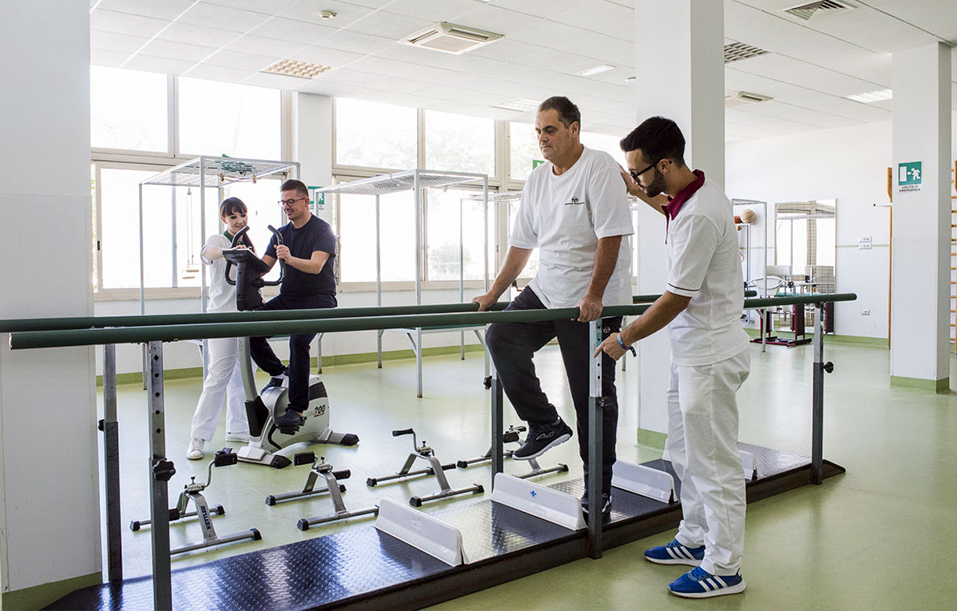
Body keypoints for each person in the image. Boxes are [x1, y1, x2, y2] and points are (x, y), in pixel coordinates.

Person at [595, 117, 751, 598]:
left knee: (714, 464)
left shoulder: (700, 214)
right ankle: (694, 537)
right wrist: (636, 191)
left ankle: (725, 567)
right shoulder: (692, 195)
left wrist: (625, 337)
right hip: (690, 352)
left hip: (709, 355)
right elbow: (667, 206)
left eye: (638, 172)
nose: (635, 179)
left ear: (664, 164)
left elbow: (676, 298)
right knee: (683, 455)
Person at [474, 96, 633, 517]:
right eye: (538, 131)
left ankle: (598, 486)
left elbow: (611, 237)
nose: (542, 138)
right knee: (502, 336)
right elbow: (521, 245)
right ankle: (544, 422)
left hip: (593, 300)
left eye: (550, 130)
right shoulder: (538, 180)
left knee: (591, 395)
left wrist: (595, 295)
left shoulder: (599, 168)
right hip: (548, 289)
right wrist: (493, 294)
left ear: (573, 129)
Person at [249, 179, 337, 431]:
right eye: (283, 202)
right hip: (289, 298)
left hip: (319, 300)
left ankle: (296, 408)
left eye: (291, 201)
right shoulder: (280, 234)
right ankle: (279, 373)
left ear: (306, 201)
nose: (287, 206)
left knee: (298, 341)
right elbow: (263, 268)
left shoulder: (322, 230)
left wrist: (289, 258)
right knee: (249, 329)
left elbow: (316, 265)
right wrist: (243, 259)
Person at [187, 197, 255, 460]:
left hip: (245, 316)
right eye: (233, 216)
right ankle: (198, 437)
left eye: (243, 215)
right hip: (222, 317)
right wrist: (231, 252)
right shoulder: (220, 240)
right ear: (224, 218)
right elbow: (207, 252)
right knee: (218, 376)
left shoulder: (248, 243)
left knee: (243, 375)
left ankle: (238, 427)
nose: (239, 220)